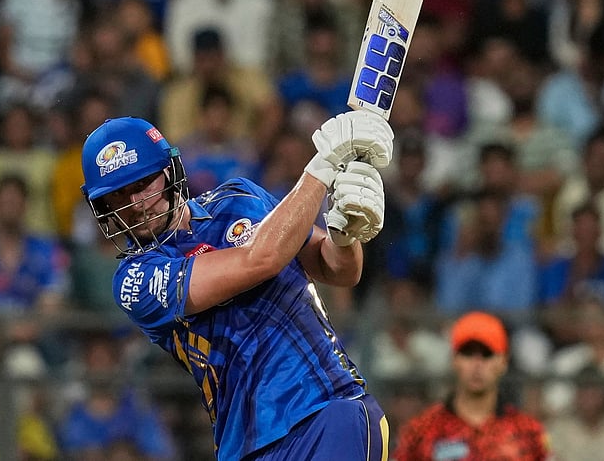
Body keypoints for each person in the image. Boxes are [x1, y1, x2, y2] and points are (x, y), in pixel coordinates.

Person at [79, 110, 394, 460]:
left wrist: (345, 235)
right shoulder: (134, 279)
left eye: (141, 184)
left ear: (169, 172)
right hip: (244, 443)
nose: (134, 205)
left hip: (327, 409)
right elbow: (260, 260)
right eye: (118, 196)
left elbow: (338, 269)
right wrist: (324, 165)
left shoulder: (239, 196)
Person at [393, 311, 551, 460]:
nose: (477, 365)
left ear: (503, 361)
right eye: (468, 353)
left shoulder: (528, 432)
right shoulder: (420, 431)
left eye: (487, 354)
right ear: (454, 360)